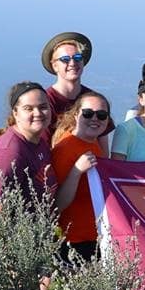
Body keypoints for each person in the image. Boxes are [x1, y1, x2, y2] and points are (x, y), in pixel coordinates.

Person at [51, 91, 112, 262]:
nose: (95, 119)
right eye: (87, 113)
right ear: (76, 114)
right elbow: (57, 203)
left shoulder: (92, 143)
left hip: (94, 237)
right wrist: (77, 170)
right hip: (73, 241)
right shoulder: (65, 149)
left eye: (101, 115)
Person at [0, 81, 56, 207]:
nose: (37, 113)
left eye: (43, 107)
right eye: (28, 108)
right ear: (15, 113)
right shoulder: (8, 153)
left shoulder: (39, 142)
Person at [41, 31, 114, 151]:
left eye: (77, 58)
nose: (72, 63)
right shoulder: (46, 101)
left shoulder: (94, 100)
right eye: (65, 59)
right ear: (54, 66)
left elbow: (103, 145)